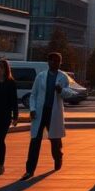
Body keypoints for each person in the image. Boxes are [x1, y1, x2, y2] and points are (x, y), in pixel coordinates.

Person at [21, 52, 75, 180]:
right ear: (48, 62)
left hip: (54, 113)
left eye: (57, 61)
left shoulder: (63, 77)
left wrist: (61, 90)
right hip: (40, 113)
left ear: (60, 63)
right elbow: (33, 94)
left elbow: (70, 93)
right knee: (35, 141)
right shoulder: (41, 76)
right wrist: (32, 109)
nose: (54, 63)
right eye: (52, 60)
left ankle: (58, 157)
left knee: (55, 141)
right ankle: (29, 170)